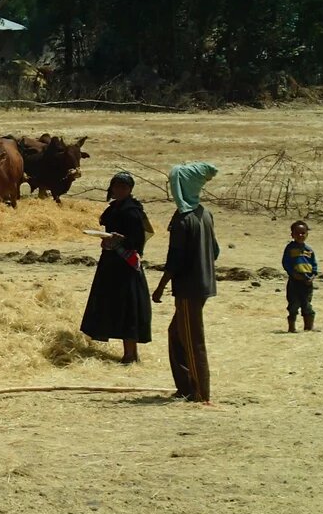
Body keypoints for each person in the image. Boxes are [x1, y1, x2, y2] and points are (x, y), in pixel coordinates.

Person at [152, 162, 220, 403]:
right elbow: (215, 251)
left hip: (190, 287)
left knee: (192, 339)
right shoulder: (205, 213)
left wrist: (161, 286)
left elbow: (175, 260)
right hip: (202, 284)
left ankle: (201, 393)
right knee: (176, 333)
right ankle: (185, 387)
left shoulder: (184, 219)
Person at [80, 171, 153, 364]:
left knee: (128, 308)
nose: (119, 190)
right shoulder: (114, 208)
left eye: (123, 187)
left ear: (130, 190)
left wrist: (120, 240)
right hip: (110, 265)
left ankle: (130, 354)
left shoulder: (132, 211)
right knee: (113, 306)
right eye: (116, 186)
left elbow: (137, 241)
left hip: (125, 267)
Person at [283, 220, 317, 332]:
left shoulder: (309, 250)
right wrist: (293, 274)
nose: (300, 235)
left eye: (303, 233)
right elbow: (286, 263)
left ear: (307, 234)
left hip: (307, 282)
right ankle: (291, 327)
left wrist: (312, 276)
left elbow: (314, 265)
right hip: (295, 281)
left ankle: (309, 326)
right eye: (297, 233)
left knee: (307, 304)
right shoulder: (290, 248)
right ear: (292, 234)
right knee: (293, 304)